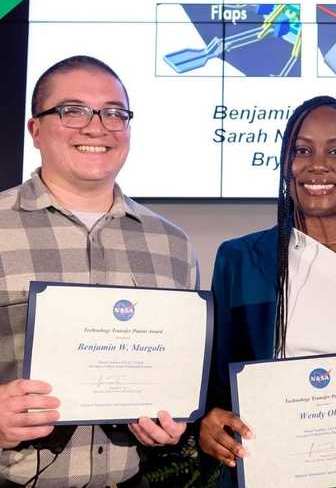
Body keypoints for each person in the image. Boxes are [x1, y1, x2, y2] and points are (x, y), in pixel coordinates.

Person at [199, 96, 336, 487]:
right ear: (285, 163)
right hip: (267, 474)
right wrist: (208, 424)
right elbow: (216, 384)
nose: (317, 165)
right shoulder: (239, 259)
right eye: (302, 151)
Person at [0, 56, 195, 487]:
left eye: (114, 113)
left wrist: (171, 423)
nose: (97, 128)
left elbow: (175, 380)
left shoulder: (173, 246)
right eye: (73, 111)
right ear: (35, 130)